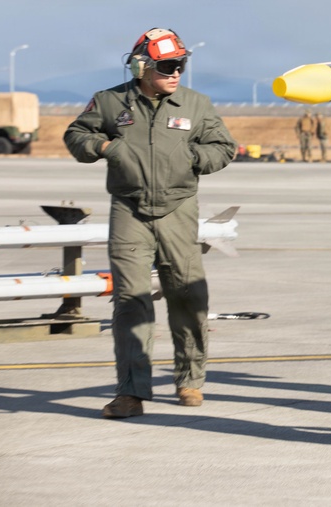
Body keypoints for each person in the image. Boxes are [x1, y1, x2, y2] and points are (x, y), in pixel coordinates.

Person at [64, 28, 236, 419]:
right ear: (142, 67)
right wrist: (106, 147)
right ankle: (131, 392)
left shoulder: (196, 104)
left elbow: (224, 147)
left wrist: (193, 160)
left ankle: (189, 379)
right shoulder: (110, 102)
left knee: (188, 296)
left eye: (181, 64)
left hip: (178, 210)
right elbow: (76, 134)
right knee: (130, 302)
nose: (177, 72)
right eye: (168, 66)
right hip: (129, 211)